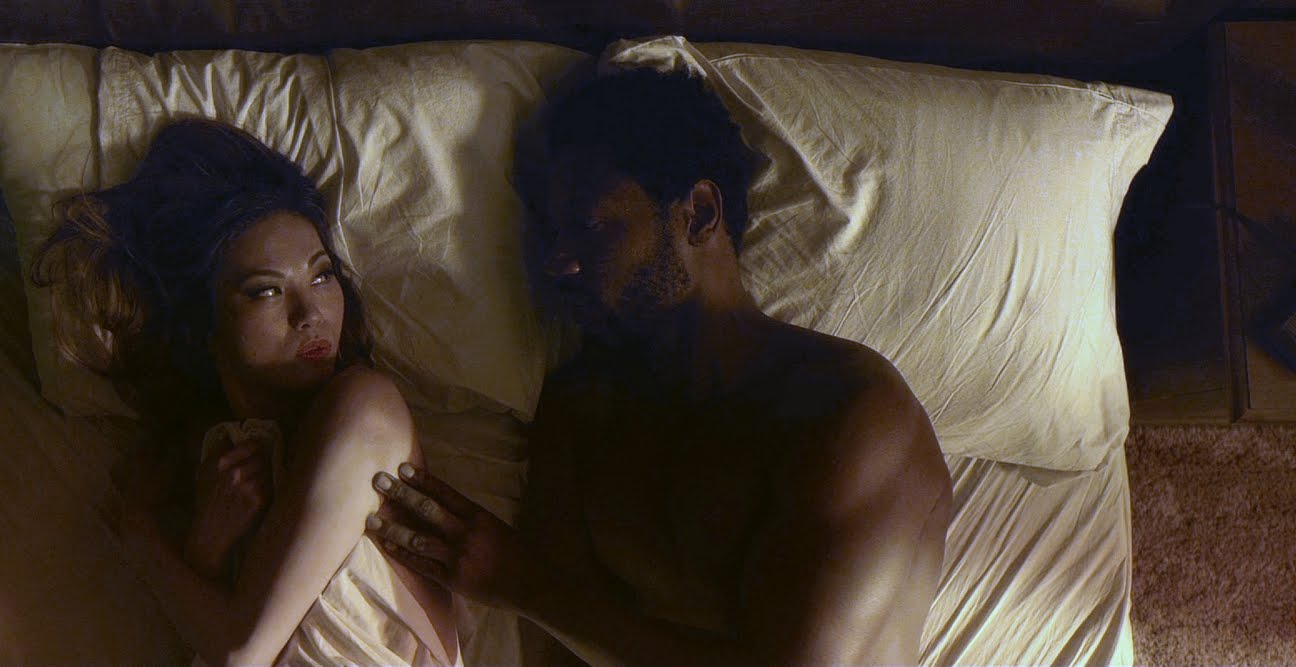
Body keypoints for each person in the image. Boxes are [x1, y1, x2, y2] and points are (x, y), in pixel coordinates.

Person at [367, 68, 953, 666]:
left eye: (590, 226)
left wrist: (522, 584)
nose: (559, 262)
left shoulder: (849, 414)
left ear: (698, 213)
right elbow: (553, 650)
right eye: (554, 234)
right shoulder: (584, 411)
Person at [32, 118, 461, 667]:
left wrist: (139, 532)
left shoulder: (365, 407)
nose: (310, 313)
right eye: (266, 291)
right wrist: (206, 549)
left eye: (322, 276)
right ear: (205, 326)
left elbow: (241, 653)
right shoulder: (218, 461)